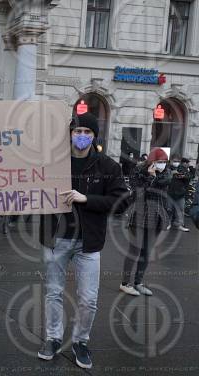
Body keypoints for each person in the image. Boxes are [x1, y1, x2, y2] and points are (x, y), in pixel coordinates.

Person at [37, 113, 127, 369]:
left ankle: (81, 341)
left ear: (94, 136)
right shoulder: (52, 163)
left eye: (88, 132)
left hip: (89, 242)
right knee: (53, 292)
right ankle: (53, 338)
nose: (82, 136)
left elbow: (121, 202)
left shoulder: (108, 167)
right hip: (56, 239)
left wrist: (86, 198)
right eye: (78, 131)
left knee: (88, 298)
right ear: (69, 134)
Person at [120, 147, 171, 297]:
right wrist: (150, 177)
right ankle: (125, 283)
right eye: (159, 161)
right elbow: (139, 193)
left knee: (146, 251)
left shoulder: (166, 174)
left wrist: (168, 216)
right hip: (140, 212)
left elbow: (162, 195)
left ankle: (138, 282)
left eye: (164, 162)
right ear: (150, 161)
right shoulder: (138, 172)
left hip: (157, 214)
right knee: (134, 250)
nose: (162, 164)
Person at [167, 154, 192, 232]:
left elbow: (189, 176)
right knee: (169, 209)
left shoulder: (182, 168)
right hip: (170, 193)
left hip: (180, 193)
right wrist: (171, 174)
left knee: (181, 210)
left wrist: (183, 176)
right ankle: (168, 224)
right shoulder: (167, 168)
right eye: (174, 161)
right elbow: (164, 179)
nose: (176, 163)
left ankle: (180, 225)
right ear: (171, 161)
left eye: (178, 161)